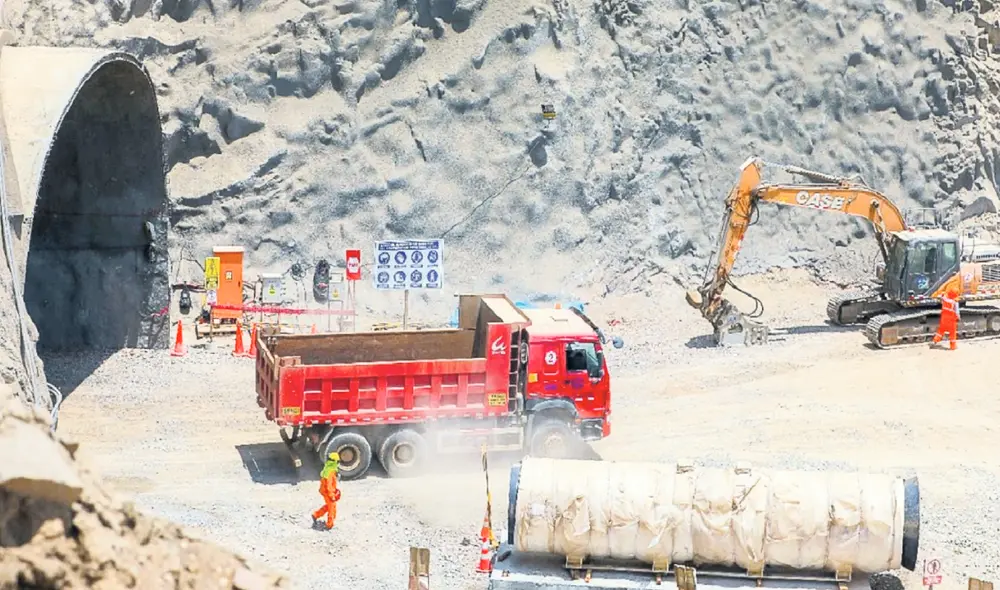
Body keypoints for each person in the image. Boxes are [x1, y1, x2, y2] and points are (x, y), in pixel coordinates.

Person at [312, 452, 341, 530]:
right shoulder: (331, 471)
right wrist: (332, 495)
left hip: (325, 491)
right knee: (332, 507)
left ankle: (315, 515)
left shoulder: (328, 467)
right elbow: (329, 486)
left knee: (329, 506)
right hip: (328, 492)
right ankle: (329, 525)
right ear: (335, 462)